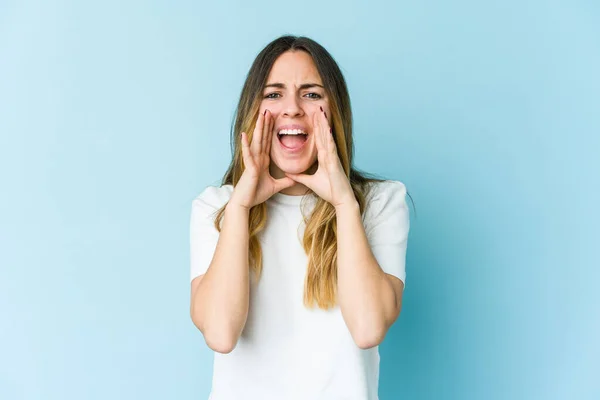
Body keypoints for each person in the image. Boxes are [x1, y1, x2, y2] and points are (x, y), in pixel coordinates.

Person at [189, 35, 410, 400]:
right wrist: (241, 207)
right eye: (273, 94)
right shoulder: (215, 206)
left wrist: (343, 203)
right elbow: (220, 334)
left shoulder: (380, 202)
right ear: (252, 109)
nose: (292, 108)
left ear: (334, 111)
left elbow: (369, 327)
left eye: (311, 94)